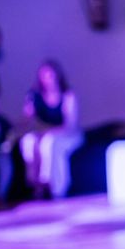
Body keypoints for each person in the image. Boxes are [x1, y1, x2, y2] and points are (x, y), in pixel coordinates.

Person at [19, 60, 82, 199]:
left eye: (50, 76)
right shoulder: (35, 96)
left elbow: (70, 126)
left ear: (58, 76)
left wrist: (49, 133)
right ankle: (35, 185)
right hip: (44, 135)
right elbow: (25, 124)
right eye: (44, 76)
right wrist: (27, 113)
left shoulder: (67, 96)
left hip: (67, 135)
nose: (48, 80)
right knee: (28, 141)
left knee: (50, 143)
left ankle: (55, 188)